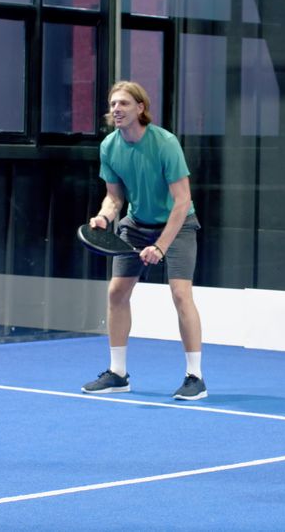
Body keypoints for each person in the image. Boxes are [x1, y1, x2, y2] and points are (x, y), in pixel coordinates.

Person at [81, 81, 206, 400]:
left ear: (140, 107)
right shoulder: (109, 146)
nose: (116, 109)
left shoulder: (165, 143)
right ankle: (118, 374)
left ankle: (195, 377)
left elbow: (182, 200)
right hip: (137, 224)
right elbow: (114, 198)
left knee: (180, 294)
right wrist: (103, 218)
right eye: (112, 104)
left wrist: (161, 246)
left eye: (123, 103)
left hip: (178, 223)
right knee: (116, 292)